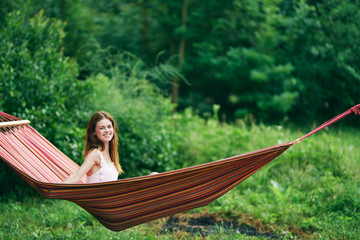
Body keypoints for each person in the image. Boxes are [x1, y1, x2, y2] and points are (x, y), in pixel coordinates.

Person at [63, 111, 123, 184]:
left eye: (109, 127)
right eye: (102, 128)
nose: (107, 130)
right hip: (94, 195)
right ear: (94, 132)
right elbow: (76, 176)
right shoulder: (95, 154)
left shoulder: (111, 154)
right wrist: (56, 191)